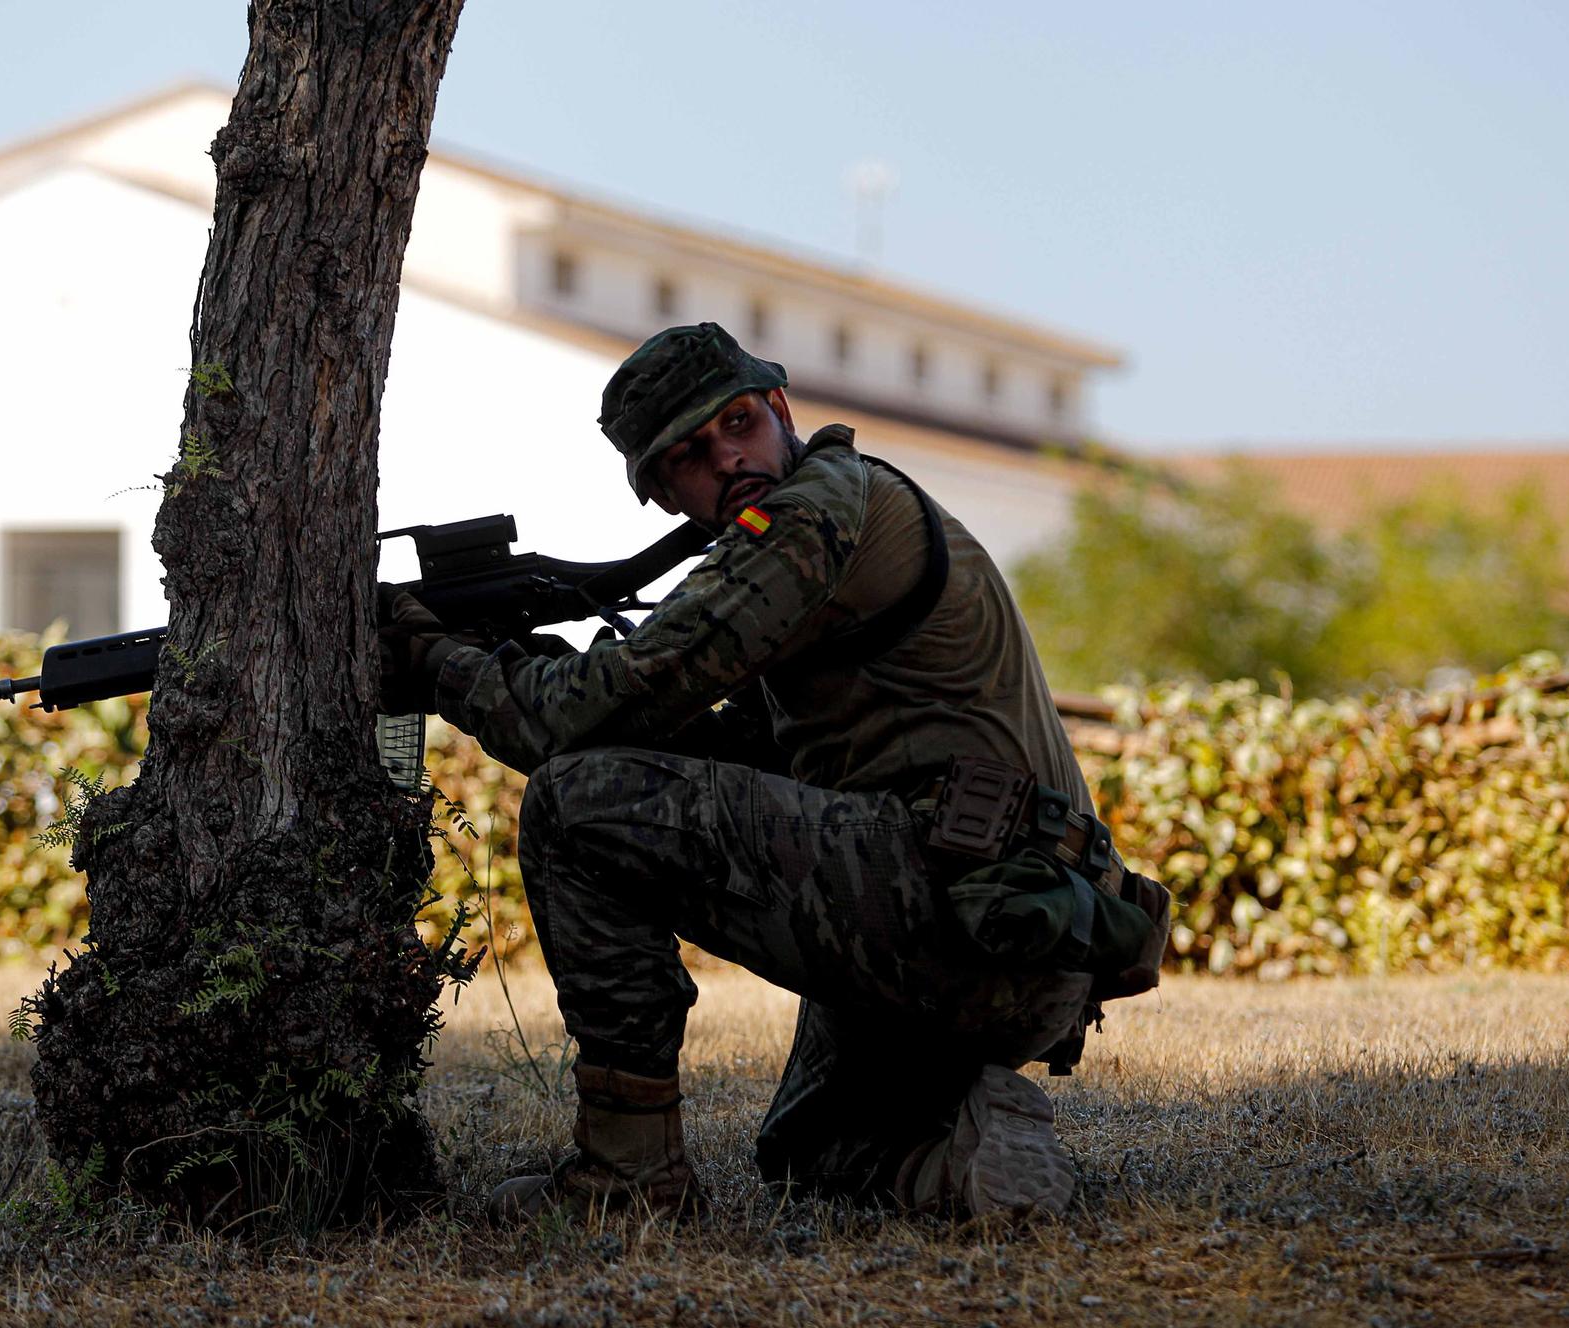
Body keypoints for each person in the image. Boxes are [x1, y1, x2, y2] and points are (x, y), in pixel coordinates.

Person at [379, 321, 1169, 1223]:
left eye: (740, 422)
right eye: (690, 453)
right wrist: (530, 665)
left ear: (781, 411)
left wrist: (439, 662)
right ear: (663, 492)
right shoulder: (821, 545)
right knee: (810, 1153)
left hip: (968, 917)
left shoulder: (812, 519)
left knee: (574, 805)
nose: (727, 456)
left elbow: (564, 724)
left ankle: (631, 1178)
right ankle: (973, 1160)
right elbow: (723, 758)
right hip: (1015, 938)